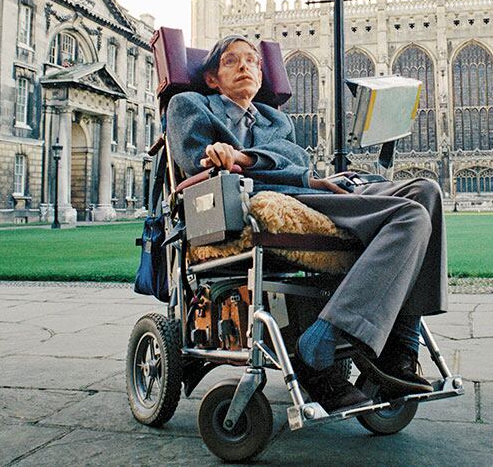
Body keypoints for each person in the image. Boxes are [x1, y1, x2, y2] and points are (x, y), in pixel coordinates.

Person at [166, 36, 448, 412]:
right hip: (246, 201)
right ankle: (329, 338)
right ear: (213, 78)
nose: (245, 66)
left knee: (424, 194)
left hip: (304, 191)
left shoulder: (274, 118)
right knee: (410, 216)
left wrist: (245, 157)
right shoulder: (190, 105)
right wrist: (221, 156)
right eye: (231, 61)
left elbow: (294, 163)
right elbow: (191, 156)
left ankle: (400, 349)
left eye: (252, 60)